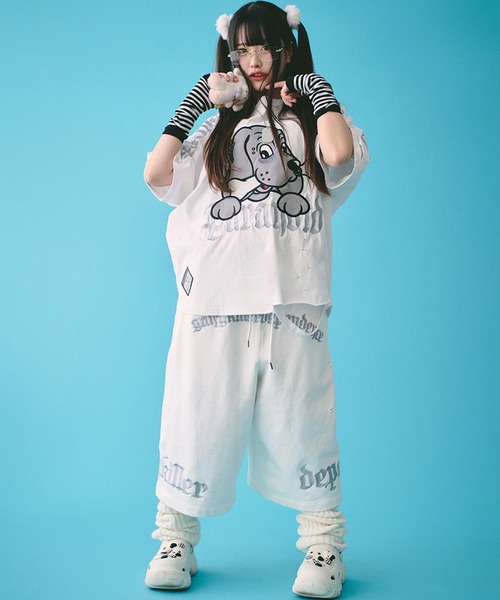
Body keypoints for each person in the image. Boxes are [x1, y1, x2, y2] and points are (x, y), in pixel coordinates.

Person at [143, 2, 369, 597]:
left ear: (287, 48)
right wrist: (198, 101)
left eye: (265, 47)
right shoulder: (215, 130)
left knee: (305, 423)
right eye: (242, 49)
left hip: (292, 307)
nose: (254, 60)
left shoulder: (313, 123)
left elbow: (340, 157)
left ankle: (324, 546)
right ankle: (176, 539)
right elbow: (156, 174)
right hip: (211, 307)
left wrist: (315, 92)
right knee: (195, 421)